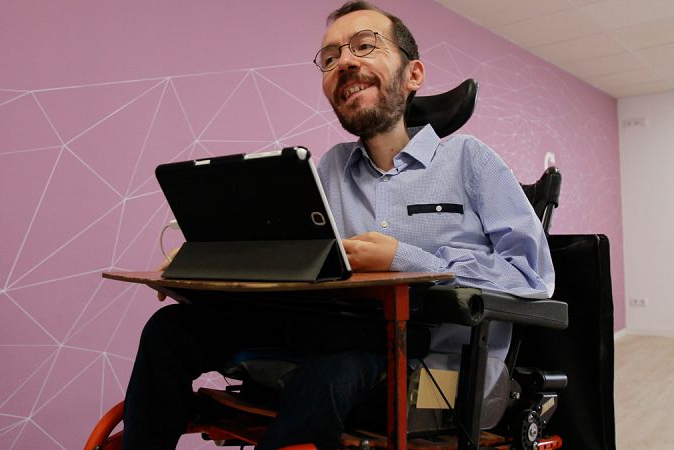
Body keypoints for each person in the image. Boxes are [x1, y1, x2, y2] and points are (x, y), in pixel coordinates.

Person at [122, 2, 554, 449]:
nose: (344, 62)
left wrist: (403, 259)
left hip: (437, 367)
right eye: (330, 58)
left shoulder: (468, 159)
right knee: (170, 330)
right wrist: (206, 260)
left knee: (332, 370)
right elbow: (291, 256)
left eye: (365, 46)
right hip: (332, 333)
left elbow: (533, 275)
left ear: (414, 75)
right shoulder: (330, 168)